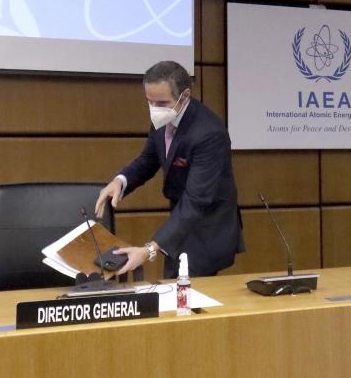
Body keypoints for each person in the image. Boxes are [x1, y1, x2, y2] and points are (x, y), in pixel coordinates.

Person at [95, 60, 243, 277]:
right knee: (174, 289)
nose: (155, 110)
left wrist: (148, 251)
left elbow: (196, 201)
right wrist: (121, 180)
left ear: (184, 96)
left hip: (206, 229)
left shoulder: (209, 133)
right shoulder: (163, 116)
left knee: (186, 298)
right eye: (149, 102)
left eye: (162, 103)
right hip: (180, 222)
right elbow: (148, 159)